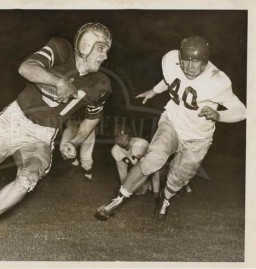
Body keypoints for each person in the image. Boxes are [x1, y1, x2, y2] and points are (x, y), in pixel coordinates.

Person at [0, 22, 112, 252]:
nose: (105, 55)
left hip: (41, 136)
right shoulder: (61, 49)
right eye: (101, 48)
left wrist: (74, 141)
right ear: (86, 44)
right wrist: (58, 81)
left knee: (30, 176)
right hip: (13, 119)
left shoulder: (100, 84)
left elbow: (92, 118)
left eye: (107, 50)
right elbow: (26, 68)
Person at [95, 35, 246, 222]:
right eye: (185, 61)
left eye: (195, 62)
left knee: (179, 177)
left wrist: (219, 115)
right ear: (179, 58)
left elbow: (242, 110)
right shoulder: (171, 60)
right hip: (172, 122)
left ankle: (166, 198)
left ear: (205, 63)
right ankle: (117, 200)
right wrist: (154, 91)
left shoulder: (217, 80)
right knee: (153, 160)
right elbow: (170, 81)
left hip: (198, 137)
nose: (189, 67)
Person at [111, 124, 160, 198]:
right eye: (117, 136)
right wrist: (125, 189)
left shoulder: (141, 144)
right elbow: (122, 172)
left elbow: (153, 167)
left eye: (122, 135)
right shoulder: (115, 150)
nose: (119, 138)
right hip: (141, 168)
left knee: (165, 172)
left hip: (158, 164)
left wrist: (155, 191)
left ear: (129, 135)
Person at [60, 109, 96, 181]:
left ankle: (88, 172)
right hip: (72, 125)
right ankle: (75, 163)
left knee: (85, 155)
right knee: (63, 147)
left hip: (87, 127)